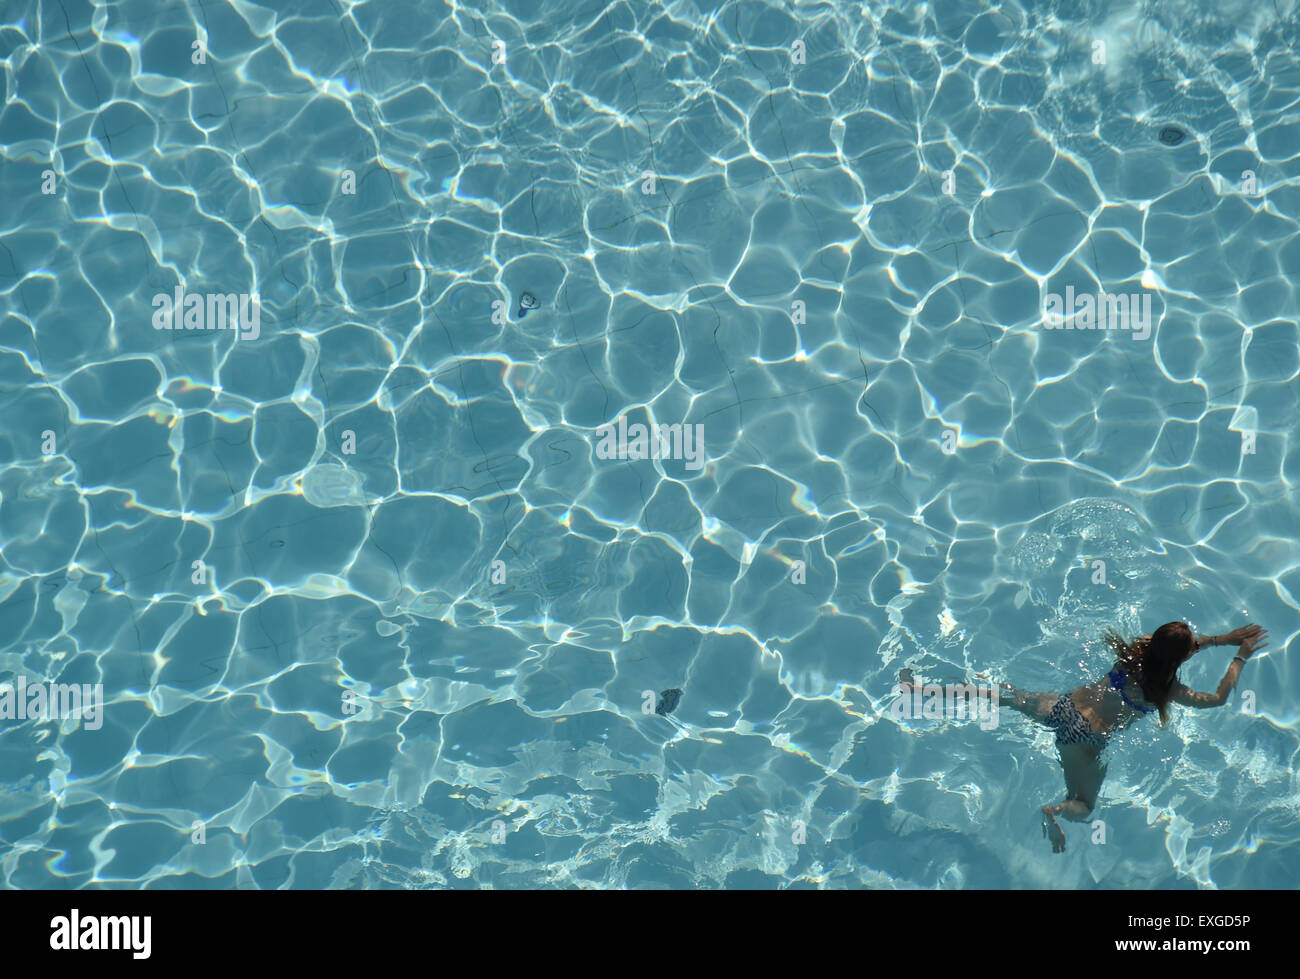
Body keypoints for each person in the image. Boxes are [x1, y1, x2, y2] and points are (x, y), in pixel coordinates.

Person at [899, 622, 1267, 853]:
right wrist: (1240, 655)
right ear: (1183, 657)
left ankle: (921, 690)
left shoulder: (1136, 649)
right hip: (1085, 740)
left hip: (1063, 707)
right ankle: (1055, 811)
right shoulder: (1167, 690)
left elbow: (1169, 647)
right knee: (1084, 805)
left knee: (1000, 695)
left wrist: (1217, 639)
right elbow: (1216, 700)